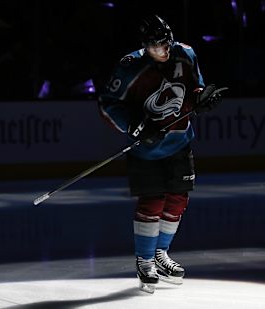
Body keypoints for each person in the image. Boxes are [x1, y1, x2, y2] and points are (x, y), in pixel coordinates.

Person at [98, 15, 226, 293]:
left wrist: (202, 98)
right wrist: (134, 126)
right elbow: (108, 104)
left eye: (166, 42)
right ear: (145, 46)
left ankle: (161, 254)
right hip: (147, 149)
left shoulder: (185, 53)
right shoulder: (130, 66)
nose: (164, 50)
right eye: (157, 46)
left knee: (178, 201)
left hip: (180, 142)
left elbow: (196, 85)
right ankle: (144, 260)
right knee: (152, 202)